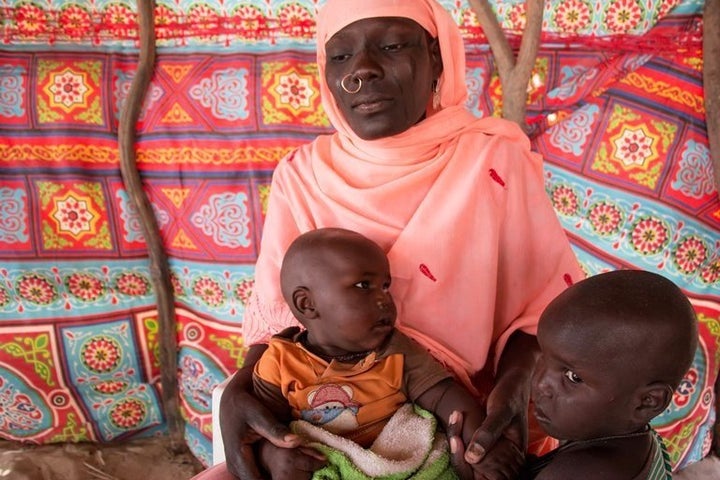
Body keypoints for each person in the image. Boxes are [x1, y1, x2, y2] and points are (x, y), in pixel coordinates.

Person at [215, 0, 584, 479]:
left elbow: (543, 311)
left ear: (436, 58)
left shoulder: (493, 162)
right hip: (330, 413)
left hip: (463, 406)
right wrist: (237, 396)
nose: (363, 70)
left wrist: (511, 394)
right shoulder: (302, 175)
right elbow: (281, 323)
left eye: (390, 46)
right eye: (341, 57)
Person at [253, 227, 521, 479]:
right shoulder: (280, 362)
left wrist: (483, 451)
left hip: (398, 466)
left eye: (385, 286)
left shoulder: (395, 350)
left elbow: (446, 399)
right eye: (363, 286)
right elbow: (262, 428)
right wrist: (271, 455)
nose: (384, 299)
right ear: (307, 304)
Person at [518, 270, 697, 479]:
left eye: (573, 377)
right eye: (543, 355)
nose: (540, 383)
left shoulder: (580, 473)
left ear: (646, 402)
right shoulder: (636, 445)